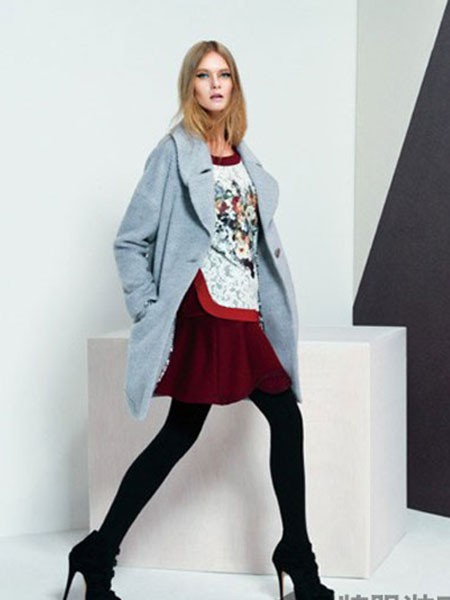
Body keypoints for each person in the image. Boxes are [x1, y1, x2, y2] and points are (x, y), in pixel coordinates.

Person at [62, 40, 335, 600]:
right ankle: (297, 560)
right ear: (190, 85)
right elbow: (129, 240)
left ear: (235, 85)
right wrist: (148, 306)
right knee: (209, 429)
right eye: (204, 75)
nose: (215, 84)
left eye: (224, 74)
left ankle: (98, 551)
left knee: (219, 429)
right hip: (205, 312)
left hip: (245, 314)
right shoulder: (173, 154)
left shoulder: (245, 157)